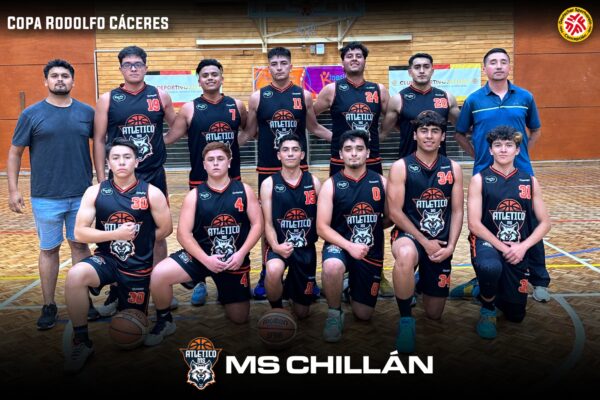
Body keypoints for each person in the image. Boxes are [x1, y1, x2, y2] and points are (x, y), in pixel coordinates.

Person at [63, 138, 172, 373]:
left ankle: (154, 316)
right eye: (115, 158)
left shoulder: (152, 193)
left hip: (138, 265)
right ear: (108, 163)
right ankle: (81, 341)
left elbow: (166, 229)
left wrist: (141, 239)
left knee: (130, 330)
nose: (121, 162)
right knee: (75, 275)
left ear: (137, 161)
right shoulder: (95, 192)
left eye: (127, 157)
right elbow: (79, 232)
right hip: (108, 260)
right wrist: (115, 234)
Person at [7, 59, 99, 330]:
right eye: (55, 75)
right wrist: (13, 190)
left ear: (73, 81)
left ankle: (84, 301)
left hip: (81, 195)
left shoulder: (86, 112)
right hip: (45, 196)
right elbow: (15, 152)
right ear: (45, 81)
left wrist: (102, 181)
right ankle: (49, 305)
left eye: (65, 76)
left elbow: (99, 145)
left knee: (80, 246)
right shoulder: (31, 114)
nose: (60, 79)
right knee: (49, 250)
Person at [453, 48, 550, 302]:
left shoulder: (525, 97)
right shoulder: (474, 100)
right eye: (493, 62)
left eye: (503, 62)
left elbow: (536, 130)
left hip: (521, 171)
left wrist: (521, 153)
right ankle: (485, 277)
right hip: (485, 172)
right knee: (486, 225)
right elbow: (459, 134)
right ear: (485, 68)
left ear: (509, 66)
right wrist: (479, 155)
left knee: (529, 223)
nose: (498, 66)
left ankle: (539, 280)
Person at [144, 142, 263, 346]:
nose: (215, 163)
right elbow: (183, 234)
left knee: (240, 318)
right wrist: (206, 260)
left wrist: (242, 253)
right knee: (159, 274)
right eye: (211, 160)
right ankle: (164, 321)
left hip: (233, 260)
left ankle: (223, 289)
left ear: (229, 162)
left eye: (220, 159)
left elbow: (258, 225)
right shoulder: (195, 195)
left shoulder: (244, 190)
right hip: (201, 256)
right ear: (204, 164)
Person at [242, 46, 331, 300]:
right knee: (268, 222)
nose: (279, 67)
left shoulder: (303, 95)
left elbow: (314, 127)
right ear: (268, 67)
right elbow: (249, 132)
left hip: (298, 169)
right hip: (268, 169)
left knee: (302, 220)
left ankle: (307, 274)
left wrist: (344, 140)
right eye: (274, 63)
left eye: (283, 63)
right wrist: (223, 151)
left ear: (291, 66)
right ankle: (267, 272)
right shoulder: (258, 97)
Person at [93, 45, 177, 315]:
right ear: (121, 68)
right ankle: (117, 290)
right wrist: (100, 178)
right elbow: (99, 139)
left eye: (138, 64)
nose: (133, 68)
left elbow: (178, 124)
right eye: (128, 64)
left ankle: (159, 287)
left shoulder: (159, 95)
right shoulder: (108, 99)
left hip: (152, 175)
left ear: (145, 67)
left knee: (158, 234)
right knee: (115, 232)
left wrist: (162, 142)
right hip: (118, 178)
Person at [163, 58, 247, 306]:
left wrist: (230, 150)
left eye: (214, 74)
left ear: (222, 78)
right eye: (205, 75)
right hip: (200, 181)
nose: (210, 78)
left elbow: (249, 130)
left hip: (232, 180)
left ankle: (229, 278)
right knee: (202, 231)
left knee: (232, 228)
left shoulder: (236, 105)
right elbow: (170, 137)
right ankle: (199, 280)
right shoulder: (190, 108)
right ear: (198, 80)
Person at [314, 41, 394, 297]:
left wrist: (380, 135)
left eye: (359, 55)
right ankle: (343, 267)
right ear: (343, 62)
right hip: (341, 163)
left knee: (373, 215)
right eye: (350, 56)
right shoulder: (332, 89)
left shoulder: (378, 90)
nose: (354, 59)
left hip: (371, 161)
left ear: (364, 60)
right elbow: (310, 117)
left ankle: (376, 271)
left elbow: (392, 115)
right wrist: (332, 137)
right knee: (340, 216)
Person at [386, 111, 464, 353]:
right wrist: (423, 240)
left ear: (443, 137)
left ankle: (418, 281)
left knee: (434, 313)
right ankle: (406, 320)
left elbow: (458, 211)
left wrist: (451, 246)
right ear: (415, 135)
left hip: (439, 241)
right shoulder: (401, 167)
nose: (429, 136)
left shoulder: (453, 168)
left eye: (435, 131)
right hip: (409, 235)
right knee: (406, 256)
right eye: (424, 131)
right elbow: (395, 212)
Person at [465, 126, 550, 339]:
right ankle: (487, 310)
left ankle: (477, 288)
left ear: (517, 150)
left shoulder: (529, 181)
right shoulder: (479, 179)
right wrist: (504, 248)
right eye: (498, 145)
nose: (503, 149)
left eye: (509, 145)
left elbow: (545, 223)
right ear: (490, 150)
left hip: (517, 248)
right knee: (490, 267)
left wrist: (523, 247)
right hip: (487, 243)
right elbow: (474, 224)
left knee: (515, 314)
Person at [316, 130, 388, 342]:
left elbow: (390, 218)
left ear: (368, 153)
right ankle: (334, 313)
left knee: (363, 314)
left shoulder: (381, 183)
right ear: (340, 154)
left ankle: (348, 287)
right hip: (340, 246)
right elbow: (322, 228)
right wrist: (349, 246)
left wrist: (371, 230)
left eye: (359, 149)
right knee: (332, 266)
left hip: (369, 251)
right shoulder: (331, 185)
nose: (354, 153)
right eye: (348, 149)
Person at [261, 134, 321, 319]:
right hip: (279, 246)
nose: (290, 154)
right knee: (273, 270)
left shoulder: (314, 182)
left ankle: (290, 287)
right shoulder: (269, 184)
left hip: (305, 249)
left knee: (302, 314)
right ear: (278, 155)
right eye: (285, 150)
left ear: (302, 155)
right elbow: (267, 223)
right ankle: (277, 309)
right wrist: (276, 246)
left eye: (295, 150)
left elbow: (322, 221)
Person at [381, 53, 460, 158]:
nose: (422, 71)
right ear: (410, 72)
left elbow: (463, 129)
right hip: (408, 161)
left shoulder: (447, 97)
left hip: (439, 162)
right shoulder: (398, 99)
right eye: (417, 67)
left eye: (426, 67)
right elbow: (383, 133)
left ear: (432, 71)